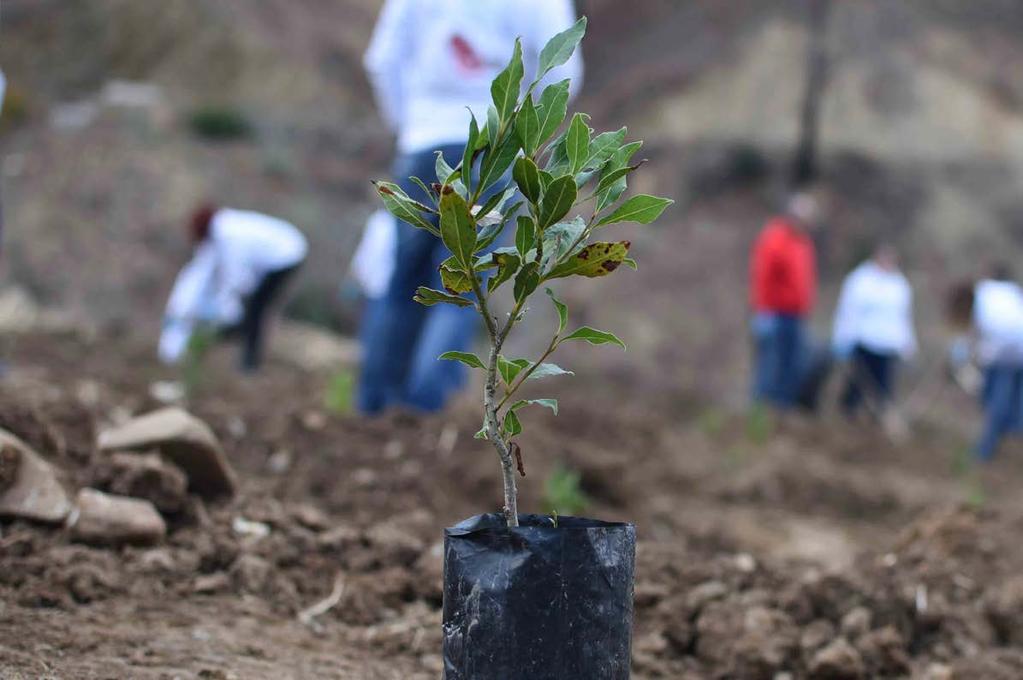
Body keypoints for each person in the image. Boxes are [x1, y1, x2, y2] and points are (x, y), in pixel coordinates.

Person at [359, 0, 583, 415]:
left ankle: (374, 407)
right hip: (492, 146)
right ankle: (424, 411)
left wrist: (410, 123)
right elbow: (564, 71)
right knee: (462, 282)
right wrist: (523, 130)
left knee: (402, 281)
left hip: (422, 140)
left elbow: (381, 60)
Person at [159, 205, 307, 372]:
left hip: (286, 254)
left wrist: (230, 307)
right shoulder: (224, 228)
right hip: (284, 250)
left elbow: (237, 276)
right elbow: (209, 273)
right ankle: (240, 346)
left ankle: (249, 363)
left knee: (256, 309)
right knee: (252, 310)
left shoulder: (229, 237)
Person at [749, 192, 820, 408]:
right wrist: (763, 309)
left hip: (796, 314)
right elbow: (762, 276)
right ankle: (760, 411)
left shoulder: (804, 242)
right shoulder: (775, 238)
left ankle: (783, 410)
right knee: (770, 365)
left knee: (791, 366)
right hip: (774, 312)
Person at [831, 244, 917, 418]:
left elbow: (903, 317)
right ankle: (848, 415)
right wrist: (843, 338)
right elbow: (848, 311)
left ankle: (877, 419)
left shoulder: (899, 285)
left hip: (887, 345)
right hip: (864, 342)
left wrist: (908, 343)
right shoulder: (860, 280)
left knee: (883, 387)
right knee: (858, 383)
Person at [948, 265, 1023, 461]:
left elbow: (978, 338)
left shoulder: (982, 298)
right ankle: (1009, 434)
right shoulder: (1006, 291)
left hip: (1008, 354)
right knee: (1011, 402)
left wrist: (961, 356)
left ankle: (985, 450)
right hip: (1013, 352)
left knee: (995, 403)